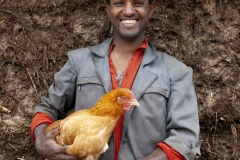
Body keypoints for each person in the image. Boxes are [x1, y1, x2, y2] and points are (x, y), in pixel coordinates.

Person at [30, 0, 201, 160]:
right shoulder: (79, 62)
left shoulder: (177, 72)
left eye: (138, 3)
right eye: (119, 3)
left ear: (152, 7)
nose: (128, 11)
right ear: (107, 8)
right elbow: (48, 108)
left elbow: (186, 138)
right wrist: (41, 142)